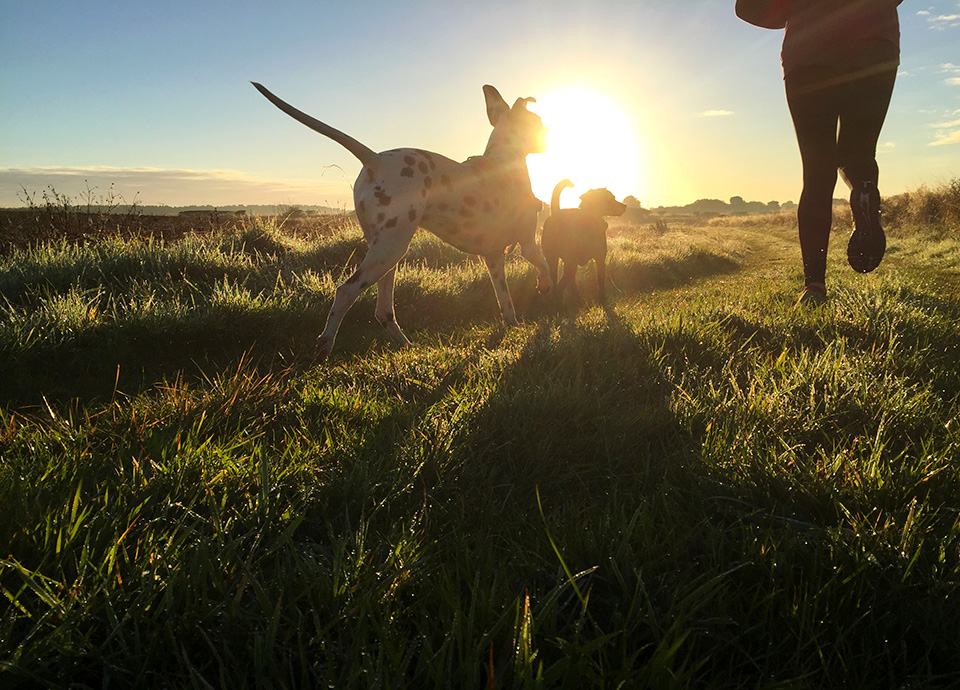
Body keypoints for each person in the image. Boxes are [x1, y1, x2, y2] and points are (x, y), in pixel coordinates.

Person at [735, 0, 902, 304]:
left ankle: (814, 286)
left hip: (809, 52)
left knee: (817, 170)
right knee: (860, 150)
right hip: (874, 44)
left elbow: (747, 7)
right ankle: (864, 189)